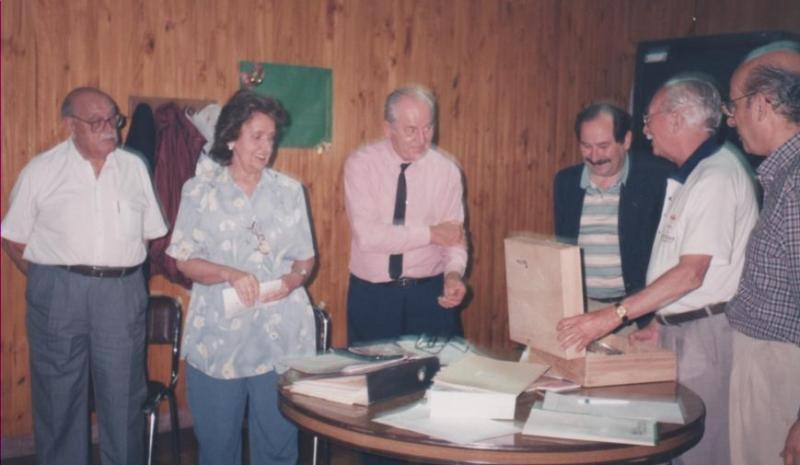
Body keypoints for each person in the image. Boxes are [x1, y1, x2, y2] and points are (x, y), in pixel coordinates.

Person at [557, 74, 759, 465]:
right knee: (672, 445)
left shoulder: (716, 176)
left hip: (706, 337)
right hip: (681, 328)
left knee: (700, 448)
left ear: (678, 119)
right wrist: (661, 322)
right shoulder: (695, 172)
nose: (647, 130)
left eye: (649, 120)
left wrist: (613, 315)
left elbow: (691, 274)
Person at [1, 87, 167, 465]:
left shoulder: (134, 167)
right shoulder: (41, 171)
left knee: (123, 399)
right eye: (97, 122)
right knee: (58, 400)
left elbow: (149, 233)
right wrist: (52, 278)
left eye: (114, 119)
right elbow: (12, 238)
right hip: (59, 293)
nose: (110, 128)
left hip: (120, 294)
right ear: (70, 125)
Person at [166, 90, 316, 465]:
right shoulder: (200, 192)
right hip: (219, 339)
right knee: (218, 448)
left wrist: (293, 281)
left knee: (280, 446)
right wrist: (228, 273)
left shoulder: (289, 191)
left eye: (271, 138)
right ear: (232, 136)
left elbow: (305, 260)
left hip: (280, 338)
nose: (267, 147)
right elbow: (184, 260)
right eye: (257, 136)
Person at [724, 41, 800, 465]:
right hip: (766, 361)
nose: (730, 119)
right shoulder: (783, 173)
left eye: (733, 105)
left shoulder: (797, 181)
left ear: (764, 103)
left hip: (780, 369)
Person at [344, 86, 468, 345]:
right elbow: (369, 236)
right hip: (373, 298)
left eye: (428, 128)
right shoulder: (361, 165)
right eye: (411, 130)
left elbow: (454, 237)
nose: (422, 139)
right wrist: (431, 234)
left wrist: (454, 274)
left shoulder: (446, 171)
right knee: (374, 382)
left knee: (437, 381)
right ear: (388, 129)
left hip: (430, 297)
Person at [554, 102, 670, 327]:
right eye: (586, 146)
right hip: (580, 307)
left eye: (603, 146)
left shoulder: (656, 178)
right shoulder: (565, 182)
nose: (594, 157)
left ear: (626, 141)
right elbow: (563, 246)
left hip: (635, 312)